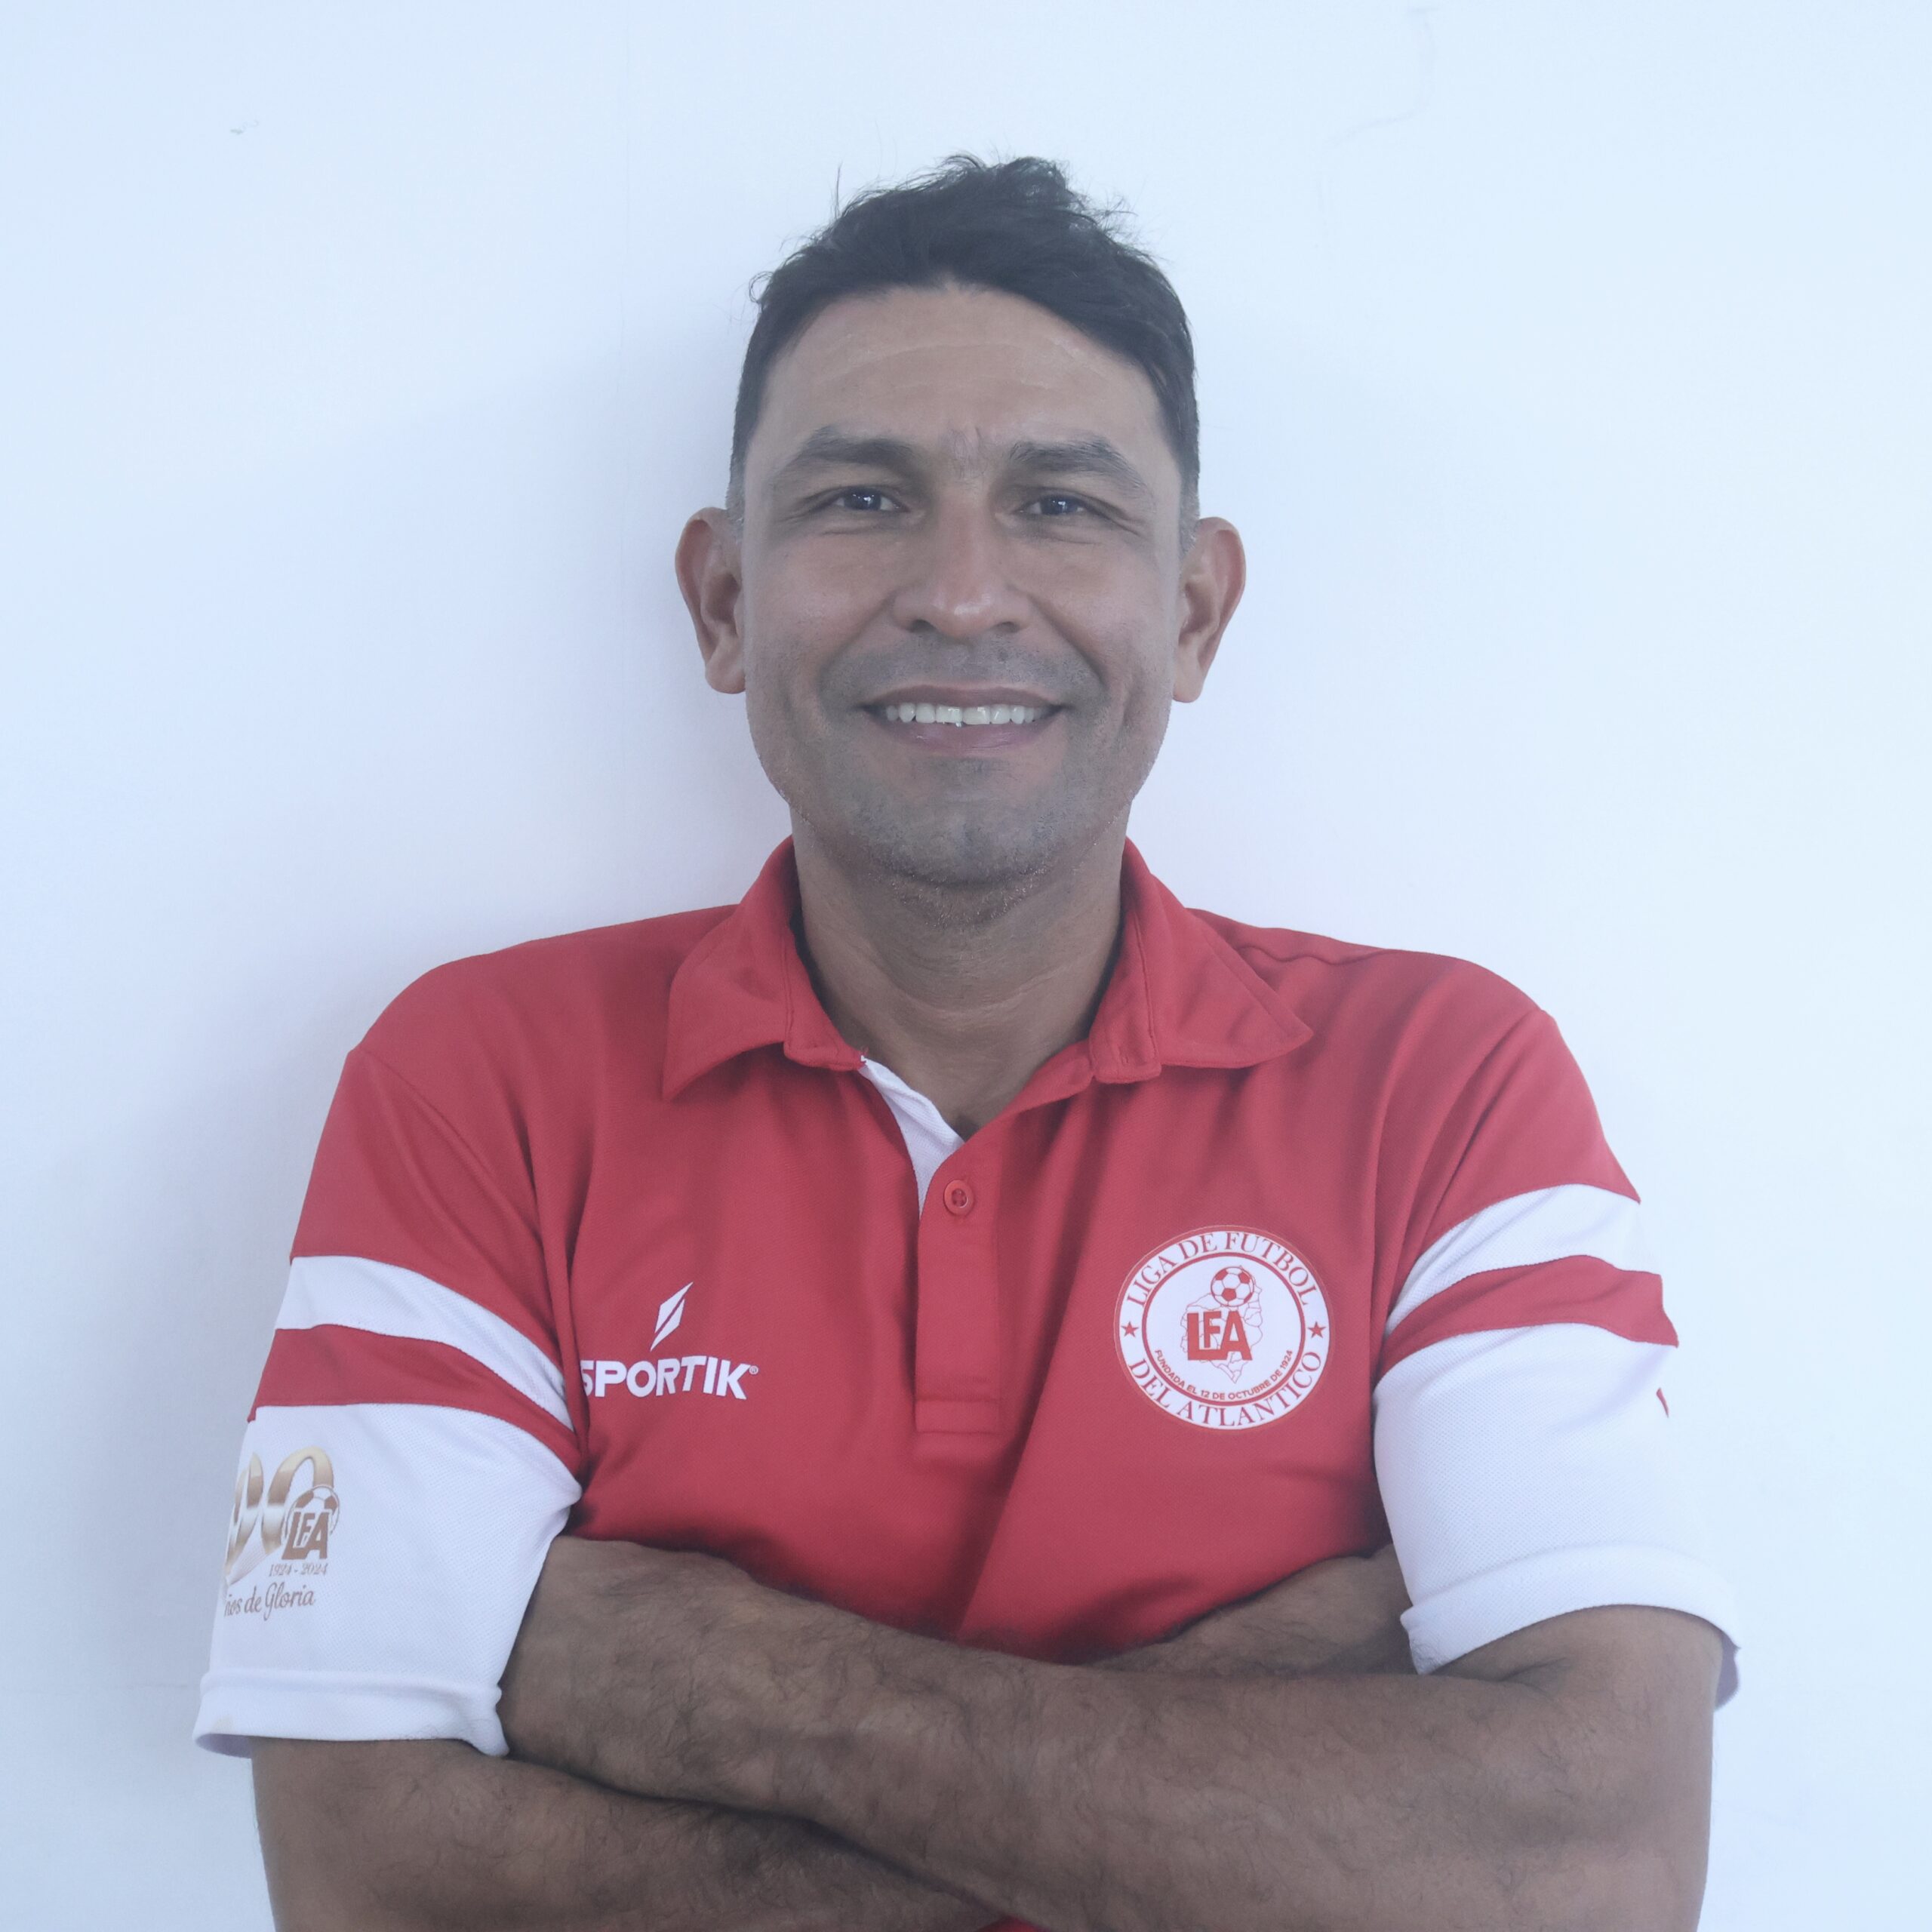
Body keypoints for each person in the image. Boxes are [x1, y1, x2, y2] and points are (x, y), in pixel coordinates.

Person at [197, 154, 1739, 1931]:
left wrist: (726, 1677)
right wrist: (1294, 1722)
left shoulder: (1445, 1080)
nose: (960, 592)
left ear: (1191, 611)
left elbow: (1589, 1868)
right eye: (861, 497)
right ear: (721, 601)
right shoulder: (476, 1079)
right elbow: (373, 1878)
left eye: (1060, 505)